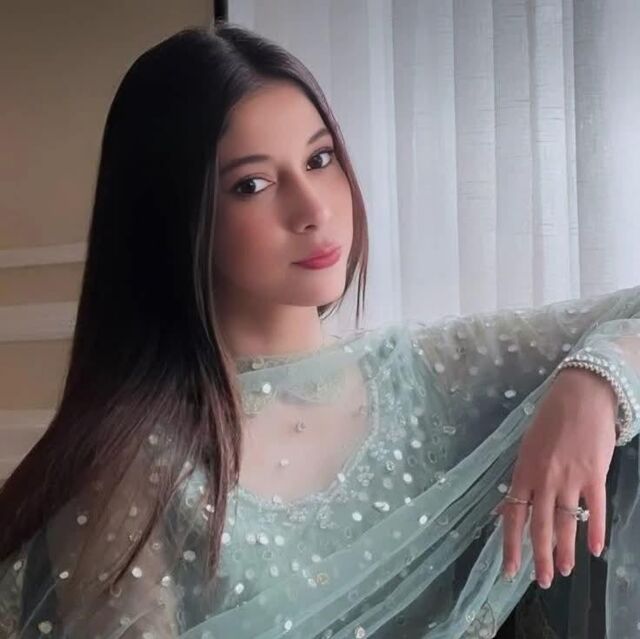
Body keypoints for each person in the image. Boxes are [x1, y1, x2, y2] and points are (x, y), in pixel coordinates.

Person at [1, 21, 639, 639]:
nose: (312, 208)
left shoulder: (428, 376)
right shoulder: (134, 469)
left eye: (320, 158)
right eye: (252, 184)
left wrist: (595, 383)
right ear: (173, 216)